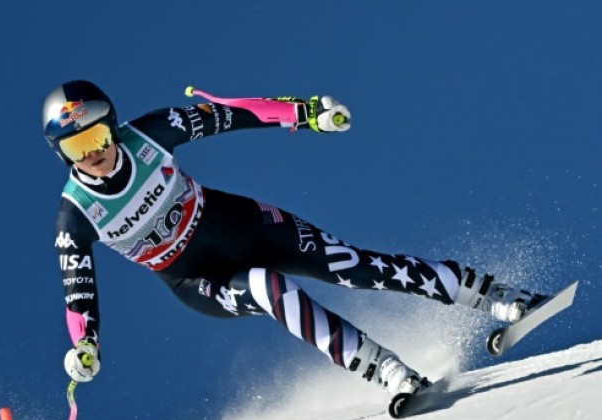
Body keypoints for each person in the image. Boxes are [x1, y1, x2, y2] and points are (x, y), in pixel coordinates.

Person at [45, 79, 545, 397]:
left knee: (352, 266)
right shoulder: (76, 216)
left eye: (99, 136)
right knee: (266, 288)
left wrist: (305, 113)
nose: (94, 153)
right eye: (78, 146)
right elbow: (79, 291)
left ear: (113, 127)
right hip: (196, 279)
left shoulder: (150, 133)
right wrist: (85, 345)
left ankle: (498, 297)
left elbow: (229, 115)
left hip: (236, 222)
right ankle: (386, 371)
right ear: (64, 155)